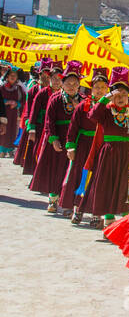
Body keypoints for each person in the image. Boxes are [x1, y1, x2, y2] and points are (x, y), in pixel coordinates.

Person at [84, 67, 129, 230]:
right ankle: (108, 223)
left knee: (124, 186)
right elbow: (92, 116)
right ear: (111, 95)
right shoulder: (106, 111)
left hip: (127, 154)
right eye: (117, 94)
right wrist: (105, 99)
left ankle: (123, 224)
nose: (121, 98)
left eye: (124, 94)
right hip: (109, 153)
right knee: (107, 186)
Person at [30, 60, 83, 213]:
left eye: (75, 83)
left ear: (79, 85)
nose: (71, 86)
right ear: (62, 83)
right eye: (68, 83)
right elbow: (49, 121)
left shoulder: (83, 101)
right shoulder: (55, 99)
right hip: (58, 138)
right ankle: (53, 200)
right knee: (56, 170)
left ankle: (68, 203)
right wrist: (53, 139)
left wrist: (77, 108)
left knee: (71, 172)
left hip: (75, 140)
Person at [62, 67, 110, 224]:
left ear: (108, 89)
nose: (99, 90)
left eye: (103, 87)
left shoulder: (111, 108)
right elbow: (73, 128)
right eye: (96, 87)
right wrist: (70, 147)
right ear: (91, 88)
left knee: (98, 179)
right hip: (84, 146)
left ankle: (96, 214)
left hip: (102, 147)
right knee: (80, 177)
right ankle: (78, 210)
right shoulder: (83, 106)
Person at [21, 63, 60, 177]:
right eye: (53, 78)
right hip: (40, 125)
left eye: (59, 79)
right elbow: (32, 111)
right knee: (38, 151)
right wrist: (31, 129)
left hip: (55, 127)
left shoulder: (64, 93)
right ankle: (36, 176)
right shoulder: (40, 92)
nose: (56, 81)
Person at [13, 62, 47, 167]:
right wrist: (30, 124)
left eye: (48, 76)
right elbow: (29, 107)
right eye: (43, 75)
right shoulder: (34, 89)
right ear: (39, 75)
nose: (46, 78)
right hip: (35, 121)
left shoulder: (54, 91)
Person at [0, 67, 25, 157]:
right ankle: (2, 151)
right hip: (3, 115)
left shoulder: (19, 89)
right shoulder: (2, 88)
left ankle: (10, 150)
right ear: (7, 76)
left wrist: (17, 104)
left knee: (12, 131)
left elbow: (24, 101)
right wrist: (6, 102)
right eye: (11, 75)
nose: (13, 76)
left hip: (14, 115)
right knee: (3, 131)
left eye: (15, 75)